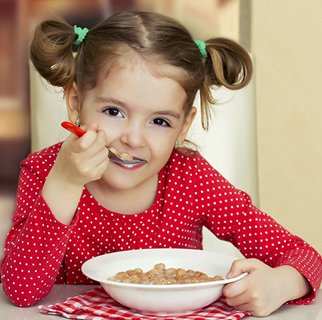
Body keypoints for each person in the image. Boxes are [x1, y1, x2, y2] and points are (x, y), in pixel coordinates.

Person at [1, 10, 321, 316]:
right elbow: (21, 290)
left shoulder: (191, 179)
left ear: (183, 126)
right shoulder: (45, 171)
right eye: (114, 111)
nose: (134, 139)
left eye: (159, 121)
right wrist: (64, 182)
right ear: (75, 103)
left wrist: (283, 283)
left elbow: (306, 257)